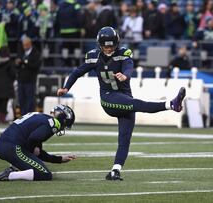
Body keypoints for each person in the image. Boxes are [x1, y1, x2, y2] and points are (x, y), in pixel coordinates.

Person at [57, 27, 186, 181]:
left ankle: (115, 171)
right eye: (106, 46)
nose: (109, 48)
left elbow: (128, 66)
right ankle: (171, 105)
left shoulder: (123, 53)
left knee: (124, 139)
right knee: (137, 104)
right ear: (100, 45)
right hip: (108, 98)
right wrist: (66, 87)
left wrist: (125, 75)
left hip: (125, 97)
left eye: (112, 45)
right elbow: (77, 72)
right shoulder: (93, 57)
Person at [0, 105, 76, 181]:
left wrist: (59, 159)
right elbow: (34, 139)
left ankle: (15, 167)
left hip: (1, 145)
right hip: (11, 147)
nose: (62, 128)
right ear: (63, 120)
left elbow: (38, 152)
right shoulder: (53, 123)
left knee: (32, 153)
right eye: (65, 125)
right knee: (45, 174)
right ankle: (10, 175)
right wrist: (32, 149)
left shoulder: (38, 116)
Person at [15, 37, 41, 116]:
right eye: (23, 45)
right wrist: (17, 63)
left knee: (30, 100)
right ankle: (23, 117)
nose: (24, 47)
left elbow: (35, 66)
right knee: (21, 100)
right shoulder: (21, 52)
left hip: (30, 81)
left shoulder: (36, 53)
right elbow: (18, 64)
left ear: (30, 44)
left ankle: (29, 117)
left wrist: (24, 62)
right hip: (21, 80)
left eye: (26, 45)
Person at [0, 47, 15, 123]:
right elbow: (13, 74)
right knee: (3, 105)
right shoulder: (9, 63)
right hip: (6, 87)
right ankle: (2, 120)